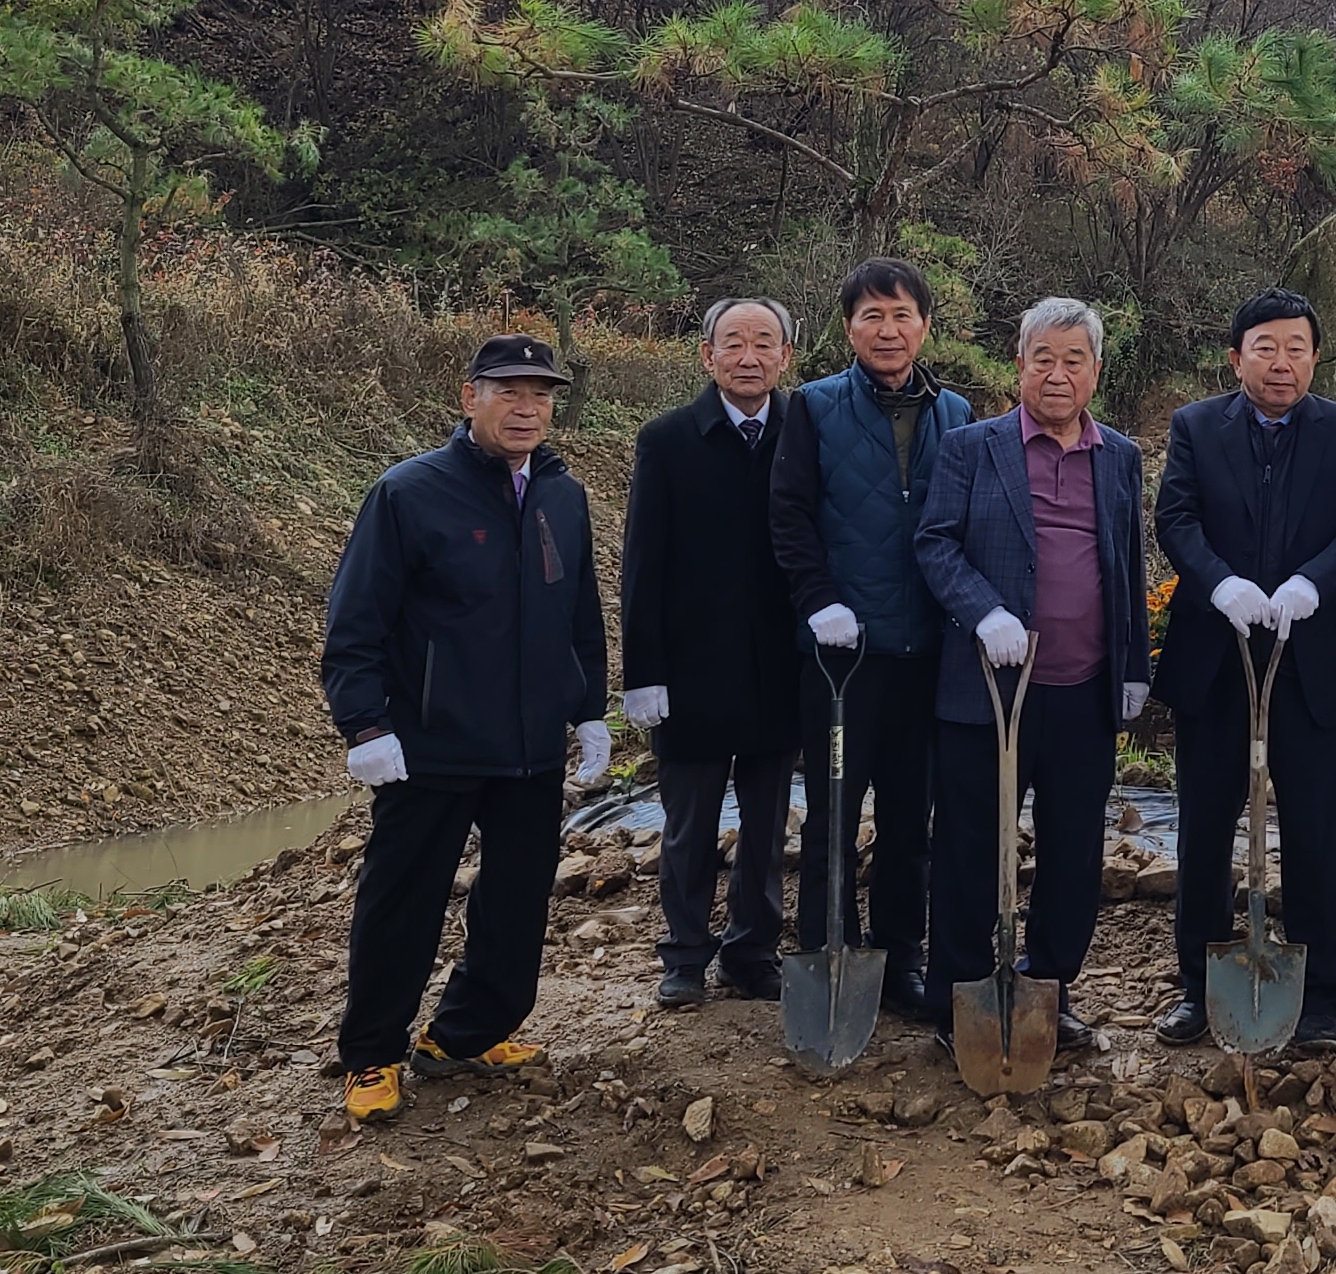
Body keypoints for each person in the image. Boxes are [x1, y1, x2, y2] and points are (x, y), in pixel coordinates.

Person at [315, 333, 610, 1125]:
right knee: (402, 902)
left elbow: (579, 613)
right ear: (469, 397)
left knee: (517, 899)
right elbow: (356, 619)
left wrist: (589, 708)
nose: (527, 408)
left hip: (531, 745)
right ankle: (373, 1053)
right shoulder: (409, 493)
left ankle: (467, 1034)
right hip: (431, 744)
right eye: (508, 391)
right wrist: (364, 725)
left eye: (540, 395)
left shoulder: (562, 497)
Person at [1153, 288, 1336, 1052]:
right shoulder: (1196, 427)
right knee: (1204, 828)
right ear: (1237, 358)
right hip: (1216, 658)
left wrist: (1313, 583)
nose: (1281, 362)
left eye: (1296, 348)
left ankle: (1321, 993)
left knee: (1321, 831)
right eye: (1265, 348)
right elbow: (1175, 519)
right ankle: (1201, 983)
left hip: (1311, 660)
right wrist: (1219, 582)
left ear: (1316, 357)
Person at [912, 298, 1150, 1052]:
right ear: (1019, 365)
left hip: (1082, 690)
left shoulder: (1120, 456)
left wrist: (1133, 667)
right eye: (1042, 358)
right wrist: (984, 612)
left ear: (1095, 372)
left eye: (1073, 360)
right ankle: (961, 1001)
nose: (1057, 374)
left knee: (1074, 851)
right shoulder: (971, 448)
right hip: (988, 690)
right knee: (969, 848)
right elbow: (935, 542)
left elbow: (1126, 564)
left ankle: (1048, 989)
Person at [768, 258, 972, 1025]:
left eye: (902, 315)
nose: (888, 330)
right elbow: (789, 515)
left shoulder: (957, 413)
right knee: (832, 814)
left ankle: (900, 958)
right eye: (872, 316)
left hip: (927, 651)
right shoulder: (814, 407)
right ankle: (830, 950)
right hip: (841, 657)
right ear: (849, 328)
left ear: (925, 326)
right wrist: (819, 600)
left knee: (910, 819)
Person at [620, 295, 804, 1008]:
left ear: (786, 356)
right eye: (734, 343)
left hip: (779, 667)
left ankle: (752, 951)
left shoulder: (803, 433)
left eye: (764, 343)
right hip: (692, 668)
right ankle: (685, 954)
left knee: (766, 824)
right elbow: (642, 564)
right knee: (690, 823)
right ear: (707, 355)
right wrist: (644, 673)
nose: (749, 357)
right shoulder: (667, 440)